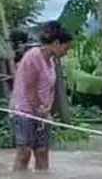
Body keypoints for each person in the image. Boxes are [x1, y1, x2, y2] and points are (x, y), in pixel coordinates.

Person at [9, 21, 72, 171]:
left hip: (41, 113)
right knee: (24, 152)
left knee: (42, 152)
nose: (66, 52)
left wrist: (47, 110)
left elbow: (50, 89)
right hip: (24, 111)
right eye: (66, 47)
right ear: (56, 43)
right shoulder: (33, 57)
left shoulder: (51, 62)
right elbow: (30, 88)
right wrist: (40, 110)